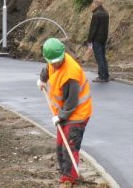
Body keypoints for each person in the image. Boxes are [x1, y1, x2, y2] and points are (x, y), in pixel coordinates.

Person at [37, 38, 93, 187]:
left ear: (63, 54)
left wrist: (60, 116)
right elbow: (48, 68)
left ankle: (70, 179)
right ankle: (66, 173)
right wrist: (42, 79)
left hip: (77, 115)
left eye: (58, 61)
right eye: (52, 61)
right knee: (60, 146)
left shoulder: (71, 74)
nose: (56, 64)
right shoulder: (53, 60)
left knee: (69, 146)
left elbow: (72, 102)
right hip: (65, 114)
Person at [87, 0, 110, 82]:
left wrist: (89, 40)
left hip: (96, 39)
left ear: (96, 4)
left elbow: (93, 29)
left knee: (99, 57)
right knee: (103, 57)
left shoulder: (96, 15)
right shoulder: (106, 13)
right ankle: (106, 75)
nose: (92, 6)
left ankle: (102, 76)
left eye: (93, 4)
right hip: (104, 38)